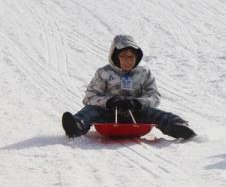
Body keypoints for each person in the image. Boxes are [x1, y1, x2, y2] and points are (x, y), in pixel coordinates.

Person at [62, 35, 196, 140]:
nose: (128, 60)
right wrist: (109, 102)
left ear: (137, 57)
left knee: (155, 113)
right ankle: (76, 125)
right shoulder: (104, 72)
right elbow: (90, 97)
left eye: (131, 57)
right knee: (91, 111)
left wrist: (138, 103)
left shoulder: (143, 73)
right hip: (109, 113)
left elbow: (154, 96)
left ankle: (178, 126)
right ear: (115, 57)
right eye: (123, 56)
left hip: (135, 113)